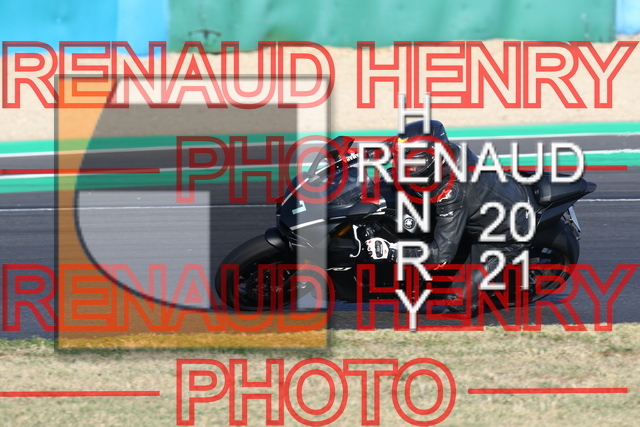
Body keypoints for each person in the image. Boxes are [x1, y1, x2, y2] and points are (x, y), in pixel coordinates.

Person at [365, 119, 531, 315]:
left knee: (457, 301)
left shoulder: (451, 192)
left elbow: (440, 256)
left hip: (504, 235)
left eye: (412, 163)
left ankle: (503, 284)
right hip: (488, 203)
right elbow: (405, 142)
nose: (404, 166)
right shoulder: (441, 150)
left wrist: (392, 252)